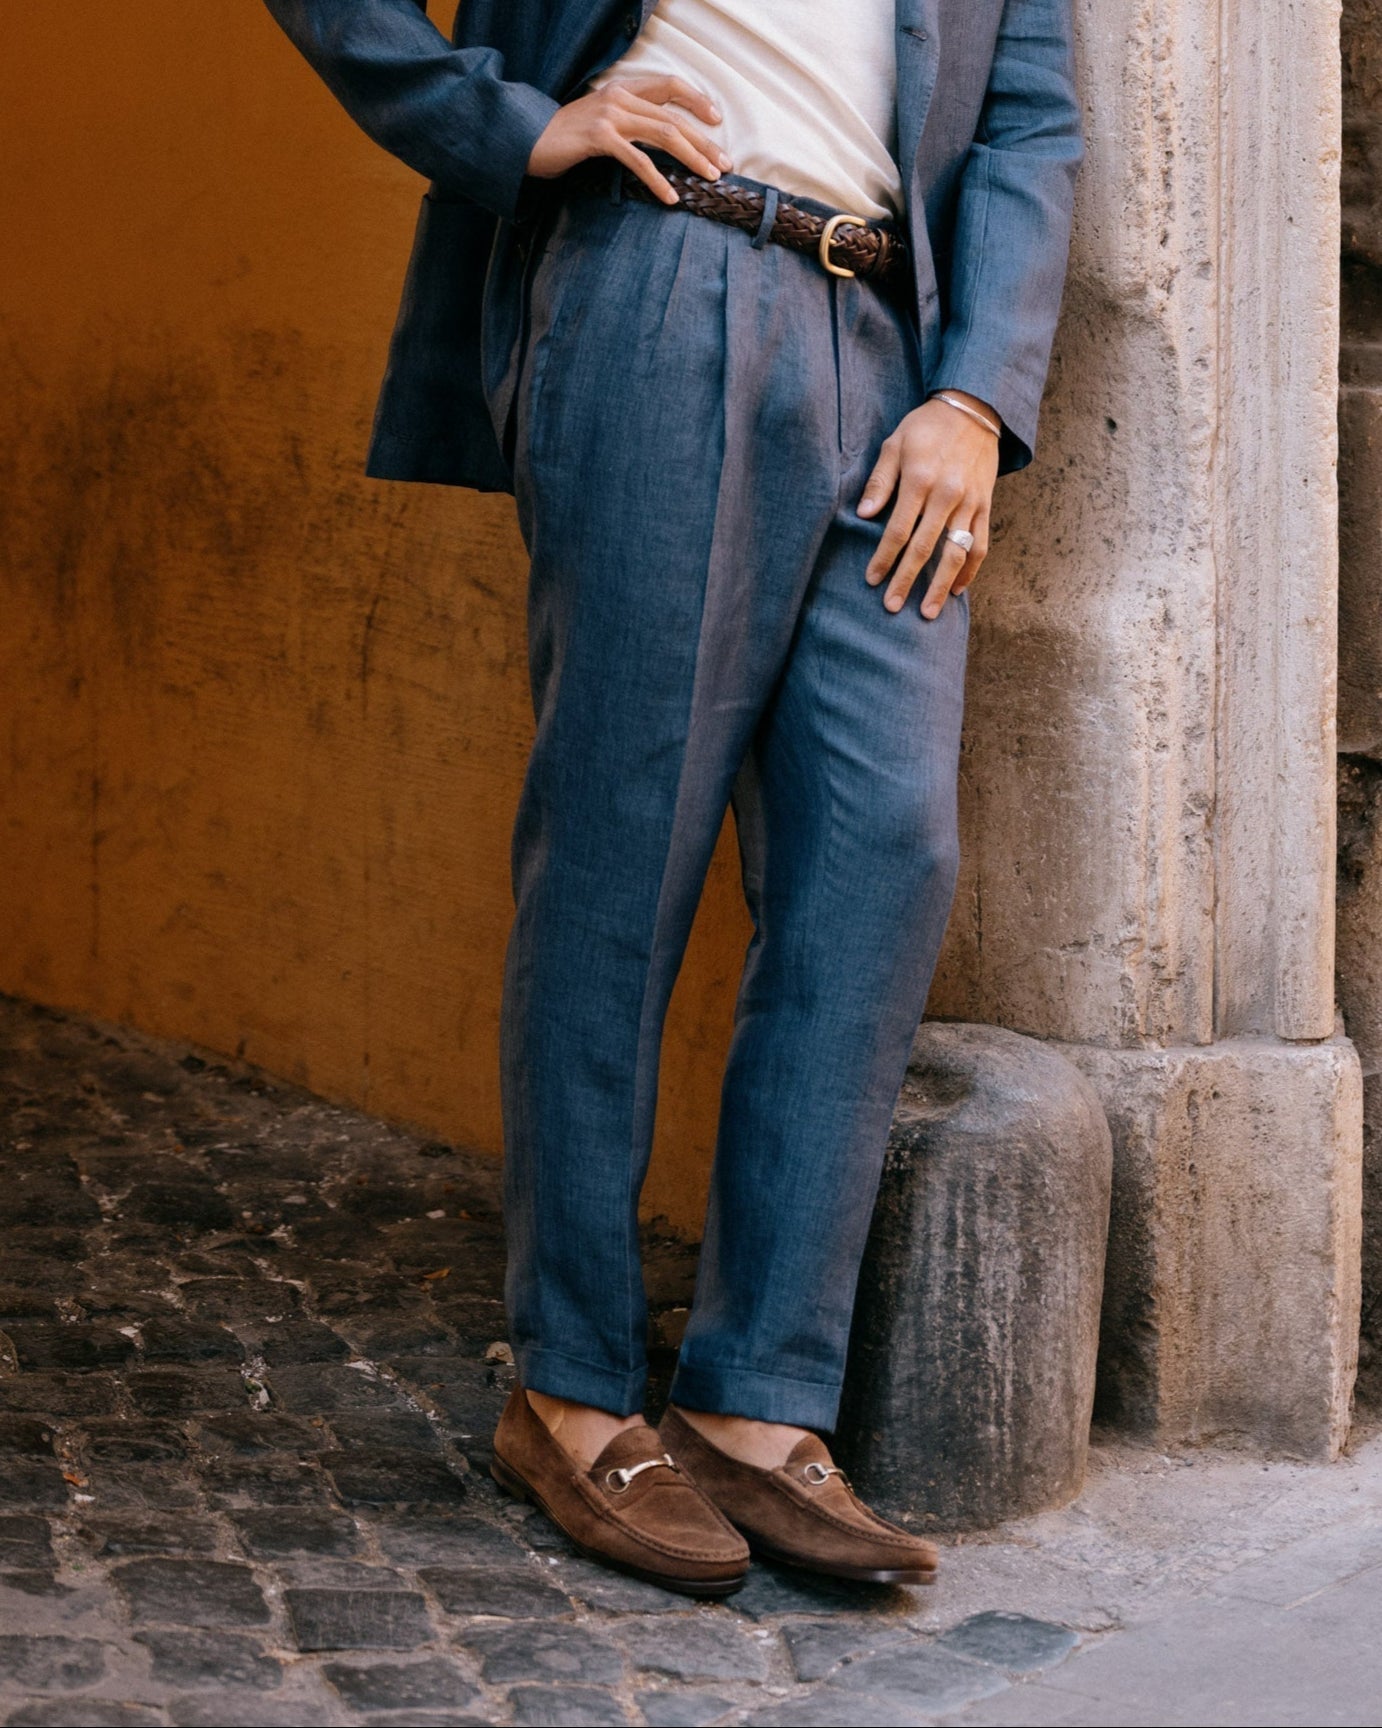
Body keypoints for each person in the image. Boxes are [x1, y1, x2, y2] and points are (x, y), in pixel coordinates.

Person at [264, 0, 1083, 1597]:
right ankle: (568, 1390)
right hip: (662, 274)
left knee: (883, 851)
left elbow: (1028, 121)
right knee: (621, 849)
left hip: (895, 350)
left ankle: (753, 1401)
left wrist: (979, 393)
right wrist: (508, 125)